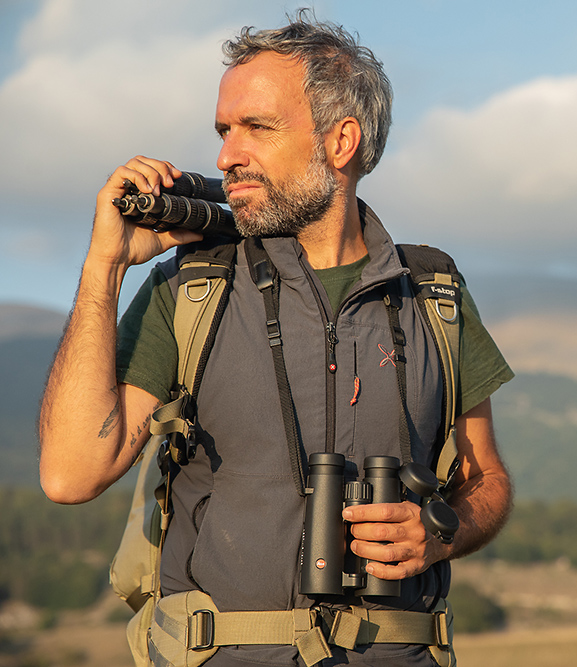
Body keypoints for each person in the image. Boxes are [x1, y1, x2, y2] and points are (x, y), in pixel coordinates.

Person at [38, 12, 514, 667]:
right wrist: (107, 265)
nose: (226, 155)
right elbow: (70, 474)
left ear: (341, 140)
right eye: (224, 131)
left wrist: (439, 533)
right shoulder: (190, 292)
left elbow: (486, 479)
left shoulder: (434, 294)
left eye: (256, 127)